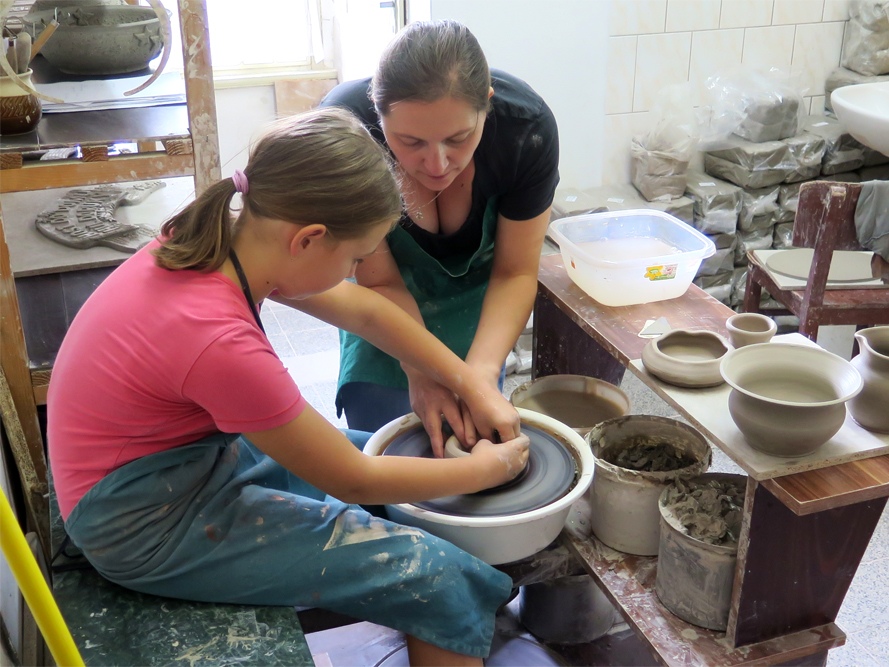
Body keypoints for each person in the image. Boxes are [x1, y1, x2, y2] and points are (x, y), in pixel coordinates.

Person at [47, 108, 529, 667]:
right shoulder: (218, 342)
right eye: (353, 258)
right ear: (310, 239)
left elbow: (368, 313)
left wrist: (470, 381)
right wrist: (489, 470)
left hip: (174, 461)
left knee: (393, 453)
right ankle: (450, 610)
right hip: (140, 522)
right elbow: (352, 479)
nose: (353, 270)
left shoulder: (225, 239)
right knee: (434, 575)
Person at [321, 20, 559, 456]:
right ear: (378, 113)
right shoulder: (347, 131)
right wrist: (421, 369)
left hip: (480, 306)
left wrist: (479, 375)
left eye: (459, 138)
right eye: (410, 141)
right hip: (383, 303)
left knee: (476, 418)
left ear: (487, 103)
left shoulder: (526, 131)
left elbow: (515, 271)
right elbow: (380, 282)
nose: (436, 164)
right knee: (392, 446)